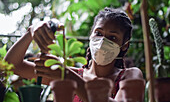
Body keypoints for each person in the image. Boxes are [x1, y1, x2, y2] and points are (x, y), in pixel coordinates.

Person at [4, 7, 144, 102]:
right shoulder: (69, 73)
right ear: (90, 36)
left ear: (124, 45)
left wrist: (68, 76)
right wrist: (32, 30)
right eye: (99, 33)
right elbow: (12, 65)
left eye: (112, 37)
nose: (102, 42)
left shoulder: (129, 76)